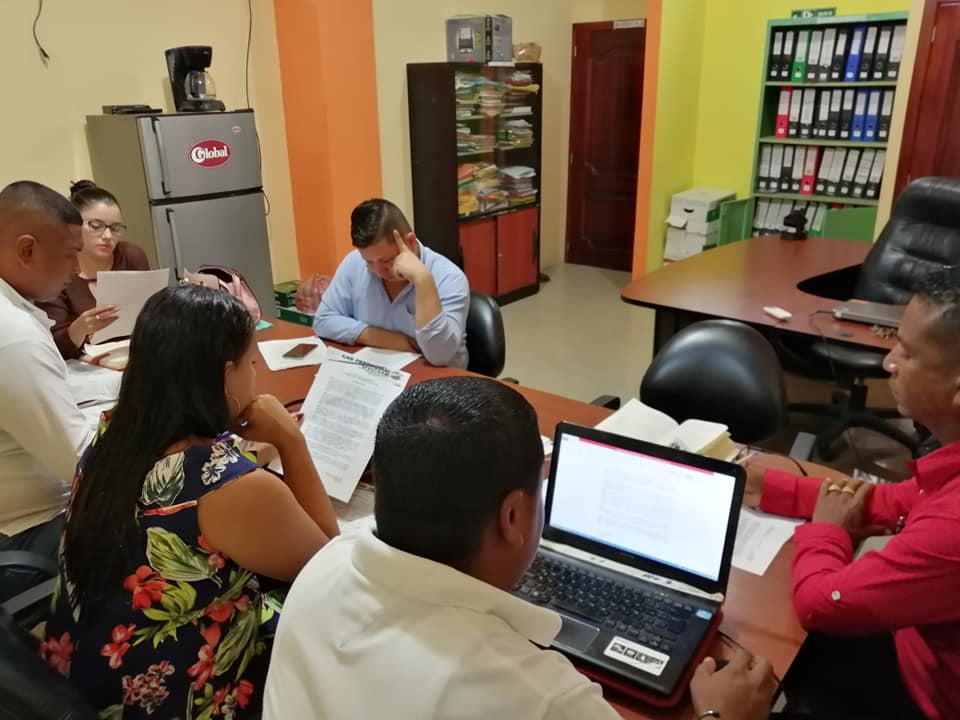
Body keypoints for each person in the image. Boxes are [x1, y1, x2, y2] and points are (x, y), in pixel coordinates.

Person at [42, 284, 340, 719]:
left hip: (84, 673)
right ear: (225, 375)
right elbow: (327, 567)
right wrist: (291, 442)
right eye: (251, 363)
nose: (255, 374)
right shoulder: (231, 487)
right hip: (175, 695)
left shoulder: (111, 433)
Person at [741, 267, 960, 720]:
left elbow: (823, 605)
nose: (888, 362)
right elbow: (898, 501)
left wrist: (826, 530)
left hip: (925, 696)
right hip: (918, 645)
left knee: (758, 648)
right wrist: (777, 489)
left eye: (907, 353)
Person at [0, 180, 94, 602]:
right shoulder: (13, 336)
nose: (76, 268)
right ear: (27, 250)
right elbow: (84, 462)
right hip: (25, 536)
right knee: (172, 517)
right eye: (70, 254)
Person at [313, 198, 470, 368]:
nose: (378, 271)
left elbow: (440, 356)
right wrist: (385, 339)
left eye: (387, 261)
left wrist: (423, 280)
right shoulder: (354, 262)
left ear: (410, 242)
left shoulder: (449, 277)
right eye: (369, 262)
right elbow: (323, 321)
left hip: (440, 378)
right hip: (380, 370)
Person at [38, 180, 149, 359]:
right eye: (96, 226)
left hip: (136, 356)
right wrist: (79, 329)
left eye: (115, 228)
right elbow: (53, 347)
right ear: (74, 226)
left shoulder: (131, 256)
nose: (108, 236)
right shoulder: (56, 269)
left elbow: (152, 316)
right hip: (83, 366)